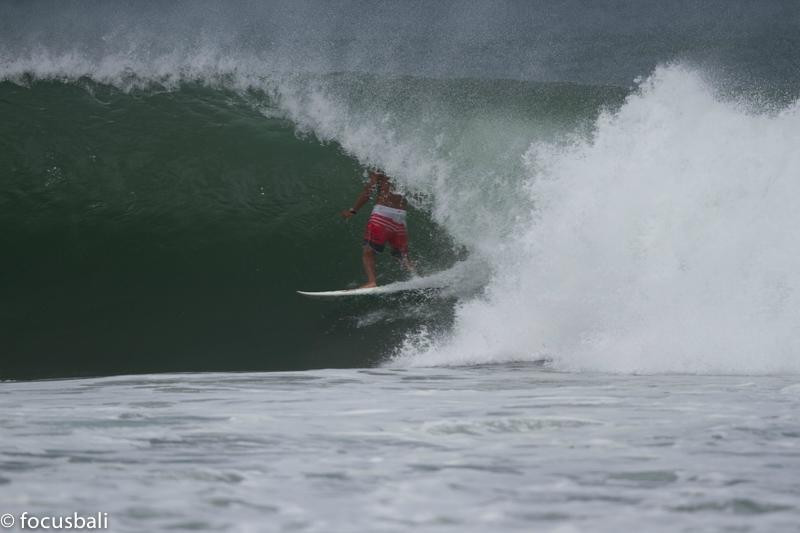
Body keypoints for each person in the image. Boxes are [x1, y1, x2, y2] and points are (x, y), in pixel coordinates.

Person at [341, 169, 414, 287]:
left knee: (368, 252)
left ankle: (371, 282)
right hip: (401, 217)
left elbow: (368, 192)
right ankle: (416, 277)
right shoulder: (408, 166)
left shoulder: (380, 165)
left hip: (382, 215)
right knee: (401, 255)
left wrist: (353, 211)